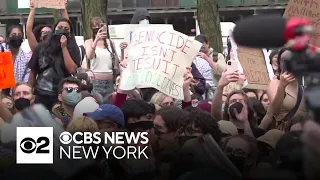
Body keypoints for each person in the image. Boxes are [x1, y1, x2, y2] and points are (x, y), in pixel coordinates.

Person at [28, 18, 81, 111]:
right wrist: (29, 92)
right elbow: (33, 72)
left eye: (66, 28)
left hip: (61, 96)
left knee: (62, 119)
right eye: (60, 27)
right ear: (54, 29)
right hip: (41, 94)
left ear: (70, 32)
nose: (62, 30)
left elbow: (72, 69)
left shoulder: (73, 49)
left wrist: (64, 47)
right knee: (42, 121)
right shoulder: (41, 47)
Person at [267, 48, 308, 131]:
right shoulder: (275, 83)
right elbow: (275, 112)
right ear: (279, 64)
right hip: (284, 132)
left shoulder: (303, 87)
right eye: (283, 59)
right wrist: (282, 86)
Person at [85, 17, 119, 97]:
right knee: (96, 106)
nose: (99, 31)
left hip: (109, 81)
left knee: (109, 106)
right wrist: (96, 40)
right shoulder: (89, 42)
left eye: (100, 28)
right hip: (96, 81)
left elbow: (116, 60)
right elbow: (90, 56)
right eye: (95, 29)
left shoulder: (110, 42)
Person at [1, 25, 31, 96]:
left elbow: (25, 80)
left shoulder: (26, 57)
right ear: (8, 37)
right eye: (13, 34)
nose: (17, 36)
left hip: (16, 95)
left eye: (19, 35)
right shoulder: (2, 50)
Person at [194, 35, 215, 100]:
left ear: (207, 44)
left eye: (202, 46)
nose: (200, 48)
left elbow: (221, 70)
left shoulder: (217, 56)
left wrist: (206, 58)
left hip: (213, 90)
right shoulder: (192, 58)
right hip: (199, 90)